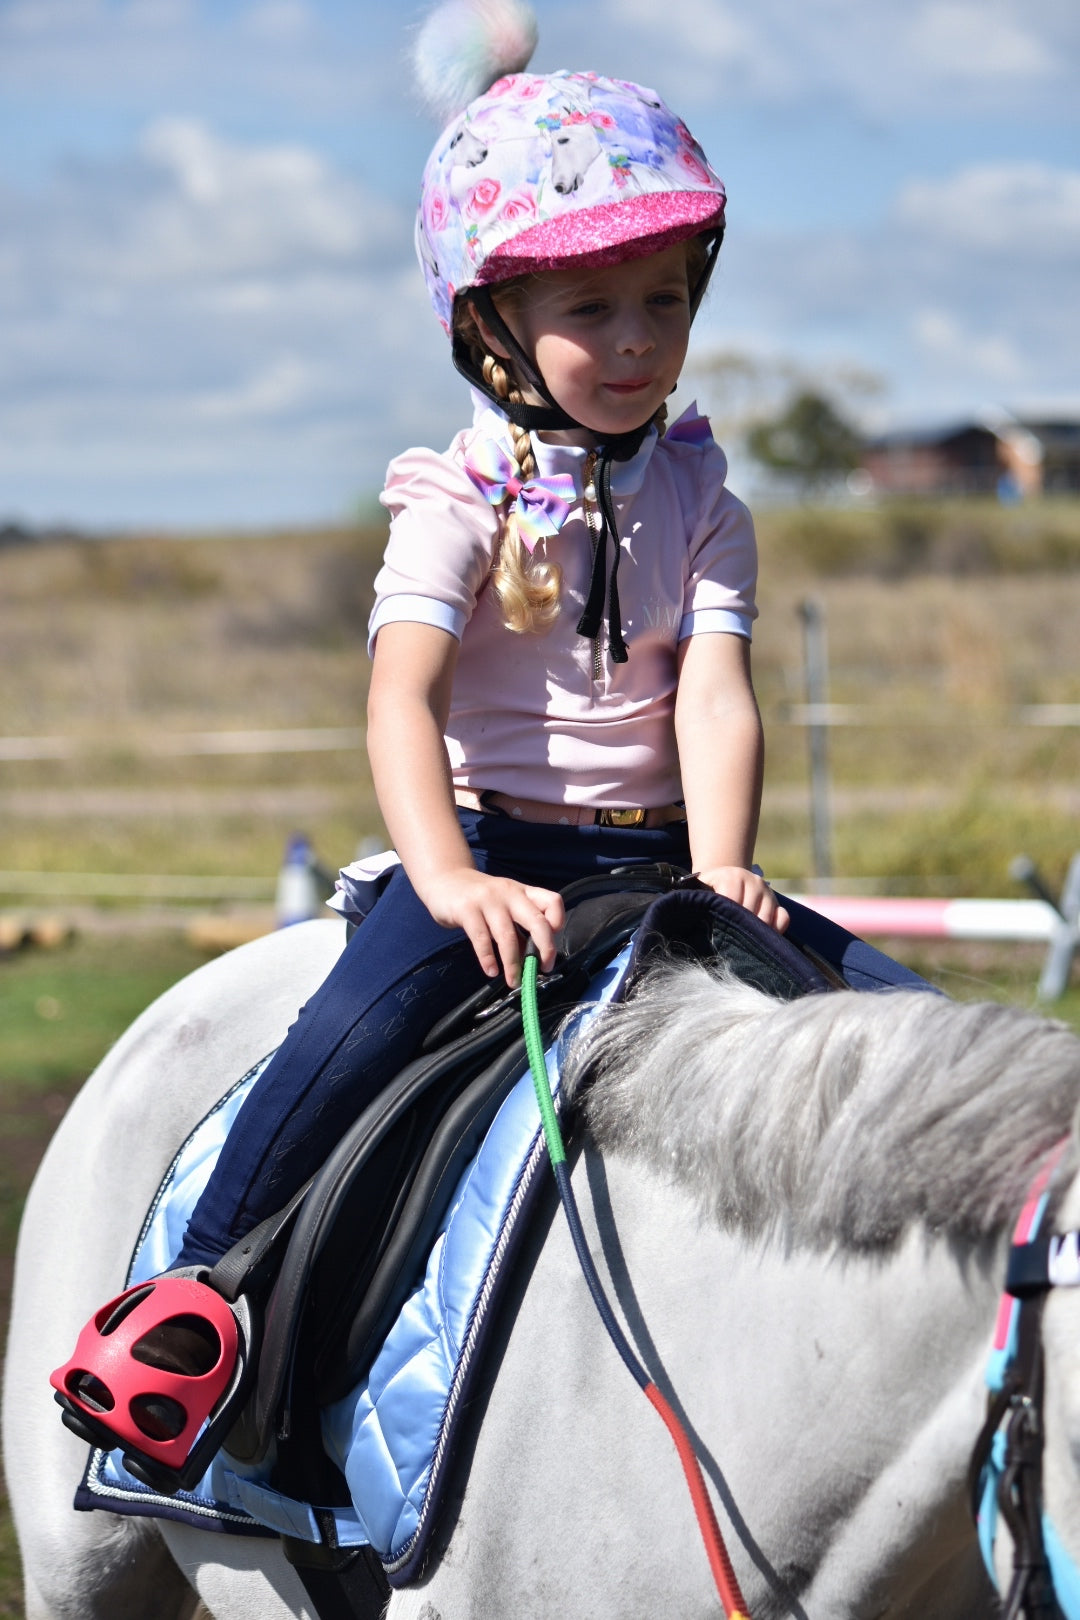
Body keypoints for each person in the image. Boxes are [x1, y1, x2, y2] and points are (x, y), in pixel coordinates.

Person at [54, 0, 929, 1463]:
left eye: (664, 301)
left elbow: (713, 690)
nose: (639, 342)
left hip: (661, 865)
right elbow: (402, 695)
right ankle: (193, 1305)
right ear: (493, 326)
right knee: (341, 1042)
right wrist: (448, 878)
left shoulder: (705, 499)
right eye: (594, 312)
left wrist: (724, 865)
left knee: (905, 1027)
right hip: (489, 852)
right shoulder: (453, 498)